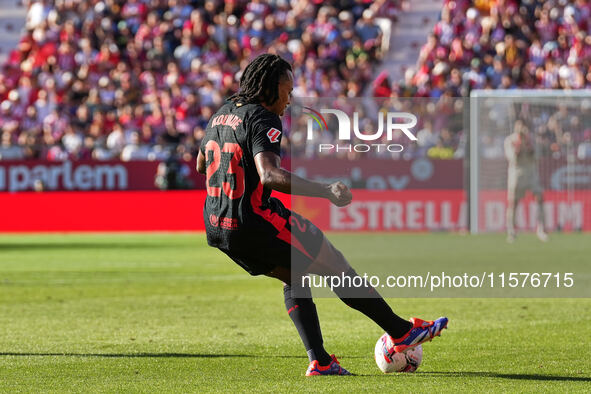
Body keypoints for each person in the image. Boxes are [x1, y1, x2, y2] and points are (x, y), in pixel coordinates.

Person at [196, 54, 447, 376]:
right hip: (254, 218)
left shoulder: (220, 114)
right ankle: (400, 330)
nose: (289, 99)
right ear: (271, 88)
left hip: (218, 226)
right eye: (287, 90)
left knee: (295, 276)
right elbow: (270, 175)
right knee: (334, 263)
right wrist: (326, 191)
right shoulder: (262, 118)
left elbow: (202, 164)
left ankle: (321, 361)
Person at [504, 119, 548, 243]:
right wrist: (518, 145)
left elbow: (536, 157)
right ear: (515, 127)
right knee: (514, 202)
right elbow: (512, 158)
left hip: (531, 173)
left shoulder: (532, 139)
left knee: (539, 197)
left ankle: (541, 229)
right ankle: (511, 231)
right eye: (519, 125)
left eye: (523, 126)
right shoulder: (509, 140)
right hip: (516, 174)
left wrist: (528, 144)